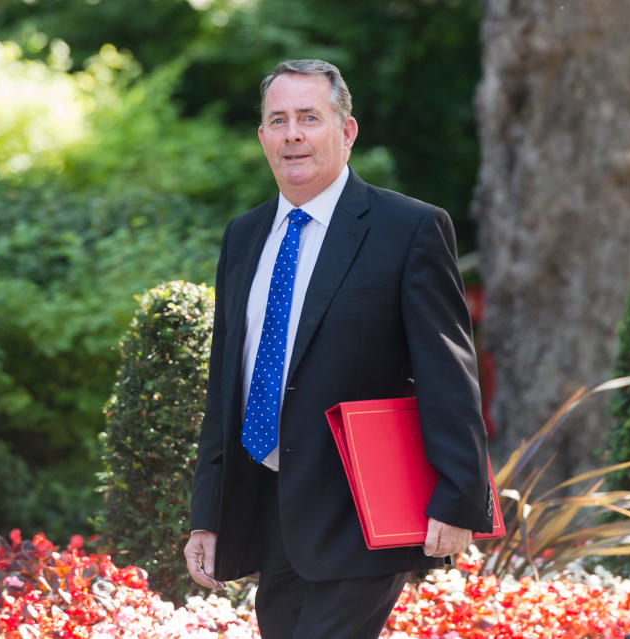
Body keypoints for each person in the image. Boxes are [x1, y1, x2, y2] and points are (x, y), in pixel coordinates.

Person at [184, 59, 493, 639]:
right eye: (278, 120)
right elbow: (227, 385)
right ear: (262, 138)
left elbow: (448, 371)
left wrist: (459, 498)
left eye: (309, 117)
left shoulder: (410, 229)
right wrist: (209, 513)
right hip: (270, 508)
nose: (293, 134)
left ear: (346, 132)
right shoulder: (243, 237)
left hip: (363, 509)